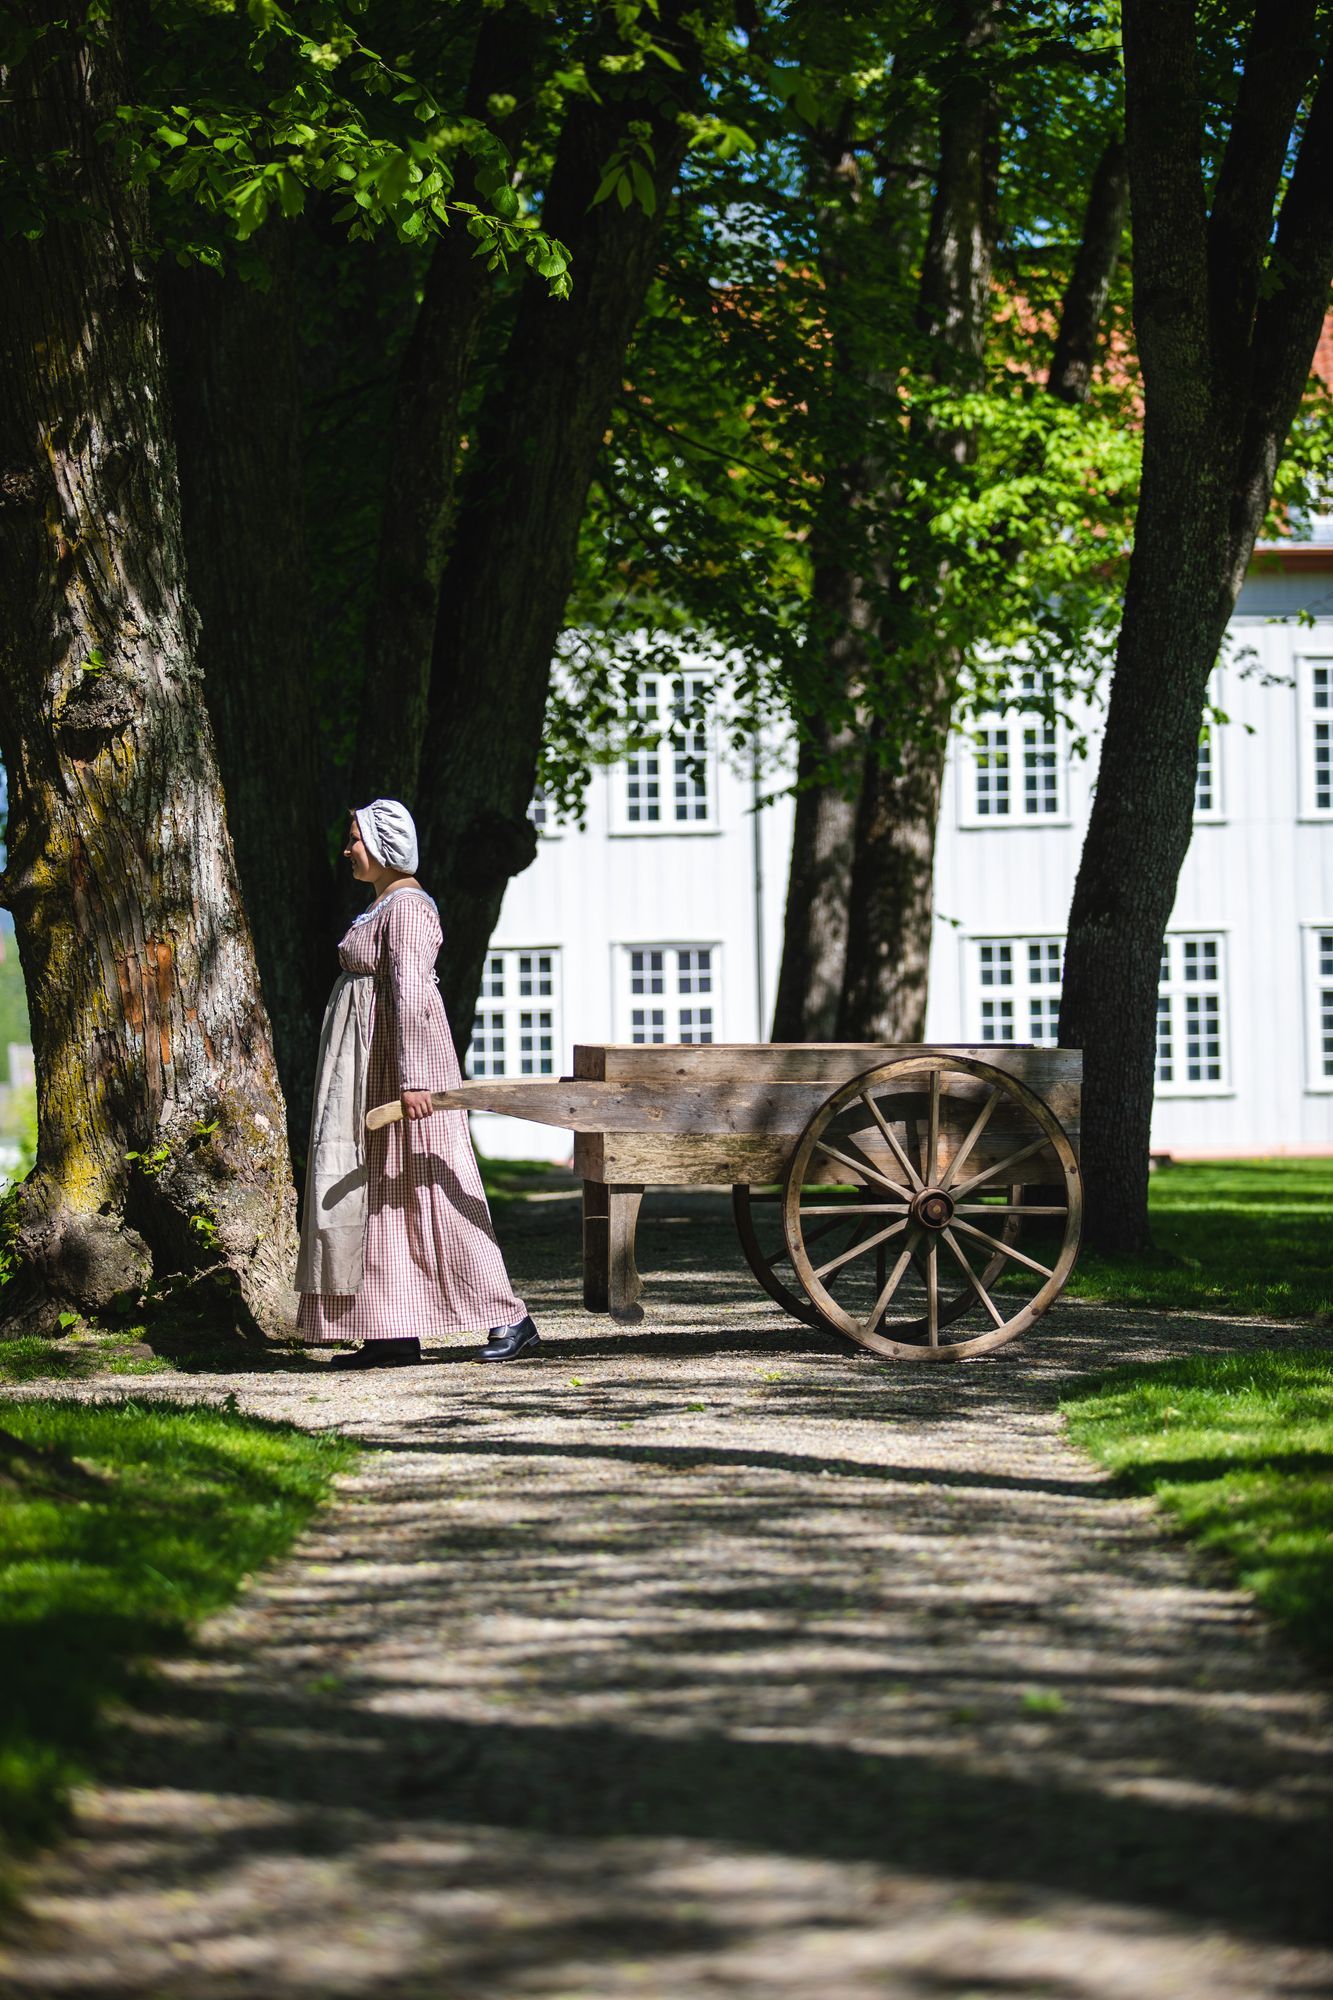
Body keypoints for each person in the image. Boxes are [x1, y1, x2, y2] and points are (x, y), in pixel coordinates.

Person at [295, 799, 540, 1365]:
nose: (346, 849)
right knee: (380, 1193)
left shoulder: (406, 908)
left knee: (429, 1187)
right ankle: (389, 1329)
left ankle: (509, 1315)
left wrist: (413, 1079)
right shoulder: (381, 905)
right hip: (368, 1065)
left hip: (401, 1069)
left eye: (354, 838)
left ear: (382, 845)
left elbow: (409, 993)